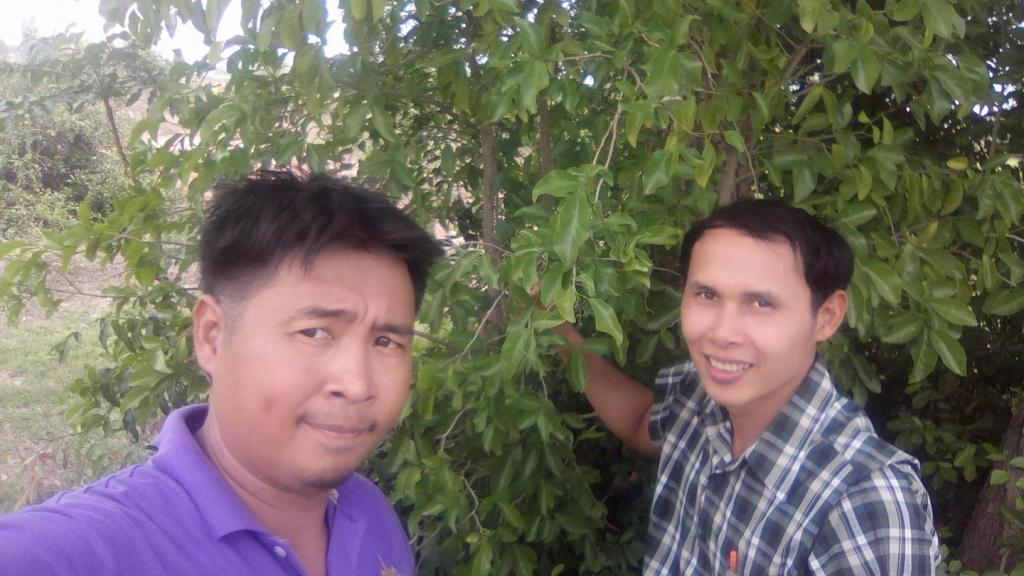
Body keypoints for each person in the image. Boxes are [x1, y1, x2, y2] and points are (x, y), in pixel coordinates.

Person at [0, 173, 442, 576]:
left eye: (386, 342)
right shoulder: (87, 549)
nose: (358, 385)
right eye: (314, 332)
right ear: (212, 336)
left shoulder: (367, 512)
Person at [555, 199, 940, 574]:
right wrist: (557, 330)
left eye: (760, 304)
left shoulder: (862, 504)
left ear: (826, 317)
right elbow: (643, 422)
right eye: (707, 295)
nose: (722, 333)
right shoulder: (697, 391)